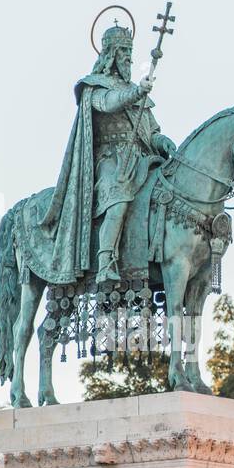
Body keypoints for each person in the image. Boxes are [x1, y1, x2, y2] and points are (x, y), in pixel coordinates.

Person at [34, 23, 176, 286]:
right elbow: (110, 103)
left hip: (143, 160)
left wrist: (162, 140)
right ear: (110, 54)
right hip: (110, 160)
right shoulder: (95, 87)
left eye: (130, 55)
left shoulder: (135, 90)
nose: (128, 60)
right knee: (119, 198)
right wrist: (137, 91)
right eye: (123, 53)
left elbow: (150, 130)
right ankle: (106, 262)